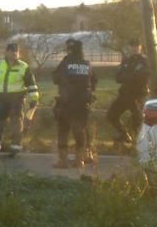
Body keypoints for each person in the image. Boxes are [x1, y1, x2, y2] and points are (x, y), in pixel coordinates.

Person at [0, 43, 39, 157]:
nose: (14, 53)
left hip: (17, 100)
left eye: (16, 51)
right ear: (6, 52)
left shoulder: (24, 67)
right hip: (2, 99)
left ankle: (15, 148)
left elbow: (31, 85)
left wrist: (34, 99)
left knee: (16, 124)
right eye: (12, 51)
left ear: (18, 53)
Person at [52, 38, 97, 168]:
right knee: (79, 130)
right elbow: (94, 81)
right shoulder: (87, 64)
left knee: (63, 131)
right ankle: (80, 160)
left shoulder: (65, 63)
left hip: (66, 103)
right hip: (82, 103)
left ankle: (63, 161)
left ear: (70, 49)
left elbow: (56, 78)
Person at [106, 39, 149, 147]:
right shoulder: (127, 61)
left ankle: (138, 142)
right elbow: (118, 77)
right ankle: (124, 134)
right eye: (132, 46)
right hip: (124, 94)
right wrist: (129, 77)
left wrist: (127, 77)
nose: (134, 48)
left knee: (137, 119)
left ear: (140, 47)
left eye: (136, 46)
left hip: (137, 95)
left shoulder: (144, 61)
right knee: (111, 115)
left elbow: (141, 76)